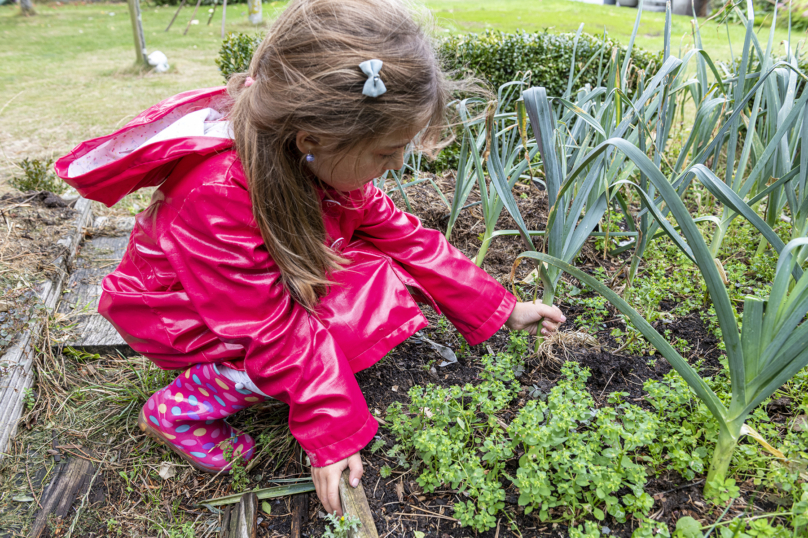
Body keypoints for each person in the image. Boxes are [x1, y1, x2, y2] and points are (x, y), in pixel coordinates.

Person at [55, 0, 565, 516]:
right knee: (344, 325)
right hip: (179, 314)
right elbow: (268, 327)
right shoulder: (218, 196)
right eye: (387, 151)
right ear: (313, 139)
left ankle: (251, 377)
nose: (396, 165)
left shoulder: (311, 157)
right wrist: (332, 429)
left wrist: (502, 308)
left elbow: (405, 237)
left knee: (376, 276)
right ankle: (185, 408)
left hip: (231, 295)